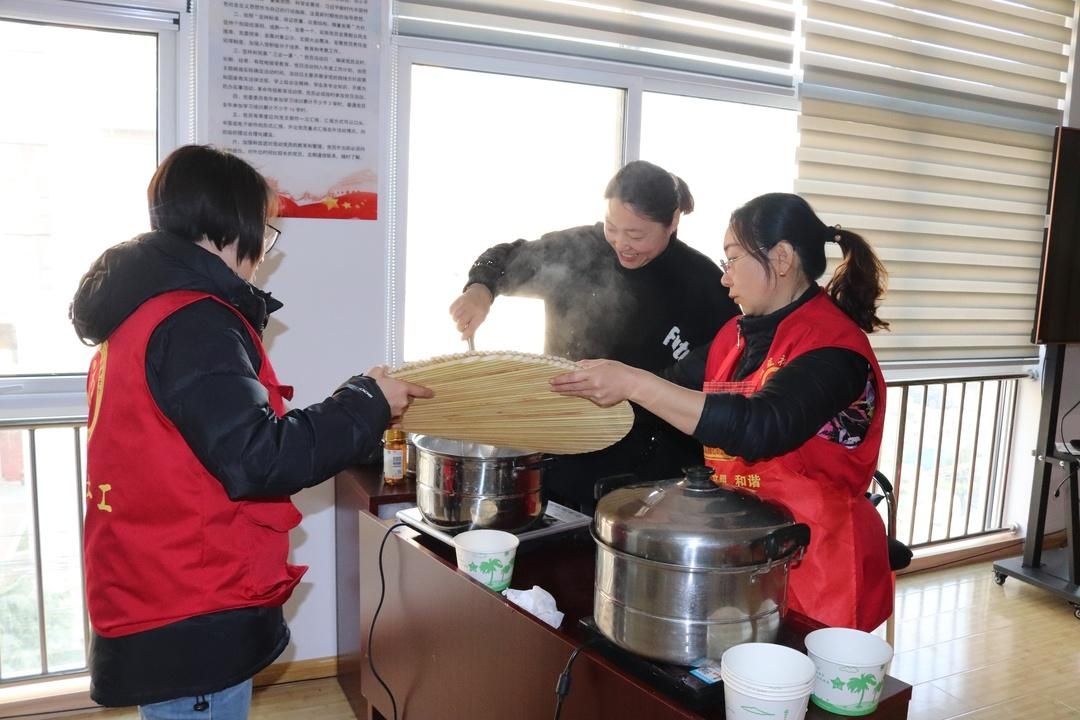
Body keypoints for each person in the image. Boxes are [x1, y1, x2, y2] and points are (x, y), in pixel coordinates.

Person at [69, 144, 433, 718]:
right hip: (191, 601)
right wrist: (366, 402)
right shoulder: (194, 321)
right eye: (264, 230)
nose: (264, 249)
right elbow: (258, 459)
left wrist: (355, 402)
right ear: (225, 226)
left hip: (157, 581)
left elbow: (228, 438)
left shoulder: (141, 313)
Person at [551, 192, 893, 631]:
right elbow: (669, 389)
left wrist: (635, 382)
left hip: (816, 564)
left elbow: (760, 428)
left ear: (782, 258)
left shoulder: (834, 350)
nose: (724, 278)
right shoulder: (734, 337)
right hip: (742, 555)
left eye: (732, 260)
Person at [449, 160, 738, 511]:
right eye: (612, 227)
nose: (621, 244)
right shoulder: (580, 250)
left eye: (636, 235)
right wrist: (480, 290)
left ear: (673, 222)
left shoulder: (705, 285)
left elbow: (719, 389)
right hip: (562, 448)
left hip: (653, 476)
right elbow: (506, 257)